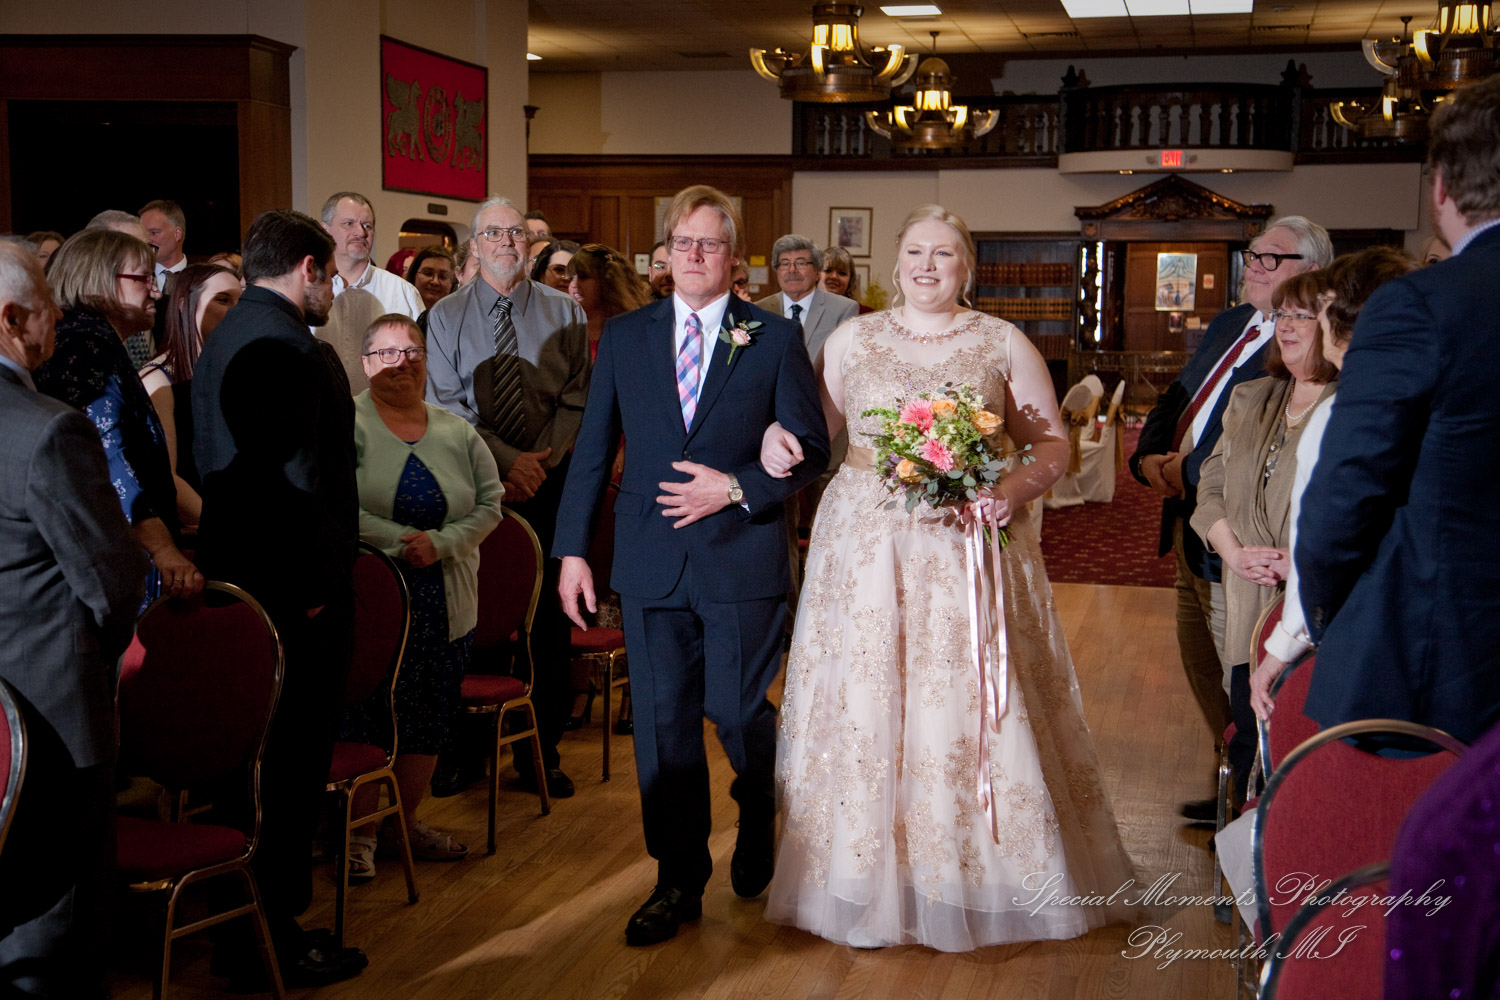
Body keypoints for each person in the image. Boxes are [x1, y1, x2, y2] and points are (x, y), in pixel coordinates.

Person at [758, 205, 1135, 951]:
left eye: (945, 255)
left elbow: (1050, 444)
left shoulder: (1000, 341)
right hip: (864, 546)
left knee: (956, 704)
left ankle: (974, 872)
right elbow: (812, 430)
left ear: (967, 268)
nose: (927, 266)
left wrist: (1010, 491)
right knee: (868, 697)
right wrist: (773, 435)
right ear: (893, 263)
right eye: (915, 252)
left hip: (962, 545)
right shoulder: (850, 338)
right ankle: (863, 873)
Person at [553, 184, 829, 946]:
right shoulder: (628, 335)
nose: (695, 255)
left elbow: (814, 452)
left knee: (737, 712)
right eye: (684, 243)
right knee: (663, 728)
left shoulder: (770, 338)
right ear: (665, 255)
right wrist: (573, 549)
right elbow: (591, 450)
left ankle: (758, 805)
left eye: (710, 244)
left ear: (732, 259)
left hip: (741, 557)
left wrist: (739, 485)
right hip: (648, 562)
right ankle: (676, 878)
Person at [191, 208, 368, 989]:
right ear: (306, 266)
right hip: (294, 600)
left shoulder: (223, 336)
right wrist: (318, 595)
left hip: (235, 587)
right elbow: (302, 484)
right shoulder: (293, 348)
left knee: (247, 766)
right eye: (327, 273)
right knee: (290, 770)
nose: (331, 289)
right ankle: (276, 934)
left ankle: (238, 925)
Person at [1296, 75, 1500, 745]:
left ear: (1439, 185)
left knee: (1417, 846)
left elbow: (1343, 498)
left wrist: (1332, 618)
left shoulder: (1423, 306)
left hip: (1448, 665)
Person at [1128, 215, 1330, 822]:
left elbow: (1237, 441)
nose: (1254, 267)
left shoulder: (1302, 347)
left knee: (1241, 676)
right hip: (1192, 522)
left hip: (1241, 540)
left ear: (1310, 273)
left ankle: (1252, 800)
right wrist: (1146, 459)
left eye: (1271, 259)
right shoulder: (1231, 323)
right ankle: (1232, 785)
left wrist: (1185, 474)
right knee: (1203, 663)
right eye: (1253, 256)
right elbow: (1181, 397)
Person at [0, 241, 146, 1000]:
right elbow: (113, 578)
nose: (57, 322)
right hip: (50, 714)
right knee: (56, 932)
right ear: (12, 318)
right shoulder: (47, 429)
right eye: (49, 309)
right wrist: (101, 656)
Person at [425, 196, 590, 800]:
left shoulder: (563, 314)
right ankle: (463, 753)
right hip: (474, 486)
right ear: (474, 245)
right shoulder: (443, 316)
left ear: (530, 243)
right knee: (476, 619)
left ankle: (541, 755)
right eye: (493, 232)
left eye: (516, 232)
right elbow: (446, 402)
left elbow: (577, 397)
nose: (506, 242)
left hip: (549, 483)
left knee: (548, 622)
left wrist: (539, 461)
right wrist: (505, 463)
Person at [341, 314, 503, 882]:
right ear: (364, 364)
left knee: (428, 714)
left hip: (446, 595)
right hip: (373, 597)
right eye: (387, 354)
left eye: (412, 352)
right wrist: (395, 542)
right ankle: (355, 833)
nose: (401, 364)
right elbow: (335, 505)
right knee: (366, 715)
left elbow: (491, 504)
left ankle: (401, 825)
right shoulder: (347, 424)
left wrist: (443, 542)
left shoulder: (455, 430)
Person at [1248, 247, 1416, 720]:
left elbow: (1323, 542)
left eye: (1315, 312)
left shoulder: (1341, 415)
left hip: (1363, 634)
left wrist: (1281, 649)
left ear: (1337, 325)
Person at [1188, 276, 1339, 801]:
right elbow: (1208, 486)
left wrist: (1295, 562)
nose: (1288, 327)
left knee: (1302, 769)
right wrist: (1232, 549)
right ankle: (1248, 864)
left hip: (1318, 611)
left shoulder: (1355, 404)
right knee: (1249, 748)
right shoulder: (1251, 395)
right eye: (1283, 316)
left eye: (1304, 315)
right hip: (1243, 599)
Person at [33, 228, 202, 604]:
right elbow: (108, 454)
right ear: (97, 282)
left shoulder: (88, 339)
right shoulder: (85, 343)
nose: (155, 290)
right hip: (103, 563)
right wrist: (162, 549)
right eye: (143, 278)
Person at [138, 263, 242, 533]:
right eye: (223, 299)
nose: (237, 310)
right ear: (185, 303)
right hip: (193, 534)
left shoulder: (231, 374)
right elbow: (164, 477)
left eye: (241, 300)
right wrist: (222, 527)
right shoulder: (158, 378)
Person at [316, 191, 424, 394]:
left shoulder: (403, 292)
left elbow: (421, 361)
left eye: (367, 226)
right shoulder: (310, 289)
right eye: (349, 223)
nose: (360, 233)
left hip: (386, 413)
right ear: (325, 230)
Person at [754, 234, 858, 366]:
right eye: (785, 263)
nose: (792, 270)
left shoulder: (842, 309)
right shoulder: (759, 310)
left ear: (817, 271)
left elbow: (844, 364)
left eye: (800, 263)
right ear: (777, 271)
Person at [565, 242, 650, 358]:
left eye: (583, 277)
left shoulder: (633, 333)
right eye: (571, 278)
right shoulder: (562, 332)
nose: (573, 285)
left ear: (607, 282)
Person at [139, 199, 187, 291]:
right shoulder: (136, 276)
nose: (146, 240)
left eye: (153, 232)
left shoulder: (203, 277)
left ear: (177, 234)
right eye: (143, 234)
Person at [404, 245, 456, 328]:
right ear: (414, 275)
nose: (435, 281)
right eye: (427, 273)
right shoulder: (401, 312)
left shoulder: (458, 319)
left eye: (443, 276)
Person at [821, 244, 873, 314]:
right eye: (828, 270)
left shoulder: (866, 315)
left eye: (842, 273)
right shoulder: (804, 311)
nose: (834, 276)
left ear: (850, 280)